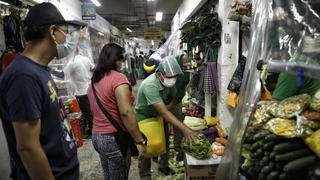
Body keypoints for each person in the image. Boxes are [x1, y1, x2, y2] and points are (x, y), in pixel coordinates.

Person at [0, 2, 83, 179]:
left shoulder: (39, 69)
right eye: (66, 33)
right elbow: (28, 148)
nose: (68, 40)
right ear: (53, 32)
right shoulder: (23, 76)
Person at [87, 43, 147, 180]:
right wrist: (139, 141)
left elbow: (93, 109)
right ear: (116, 59)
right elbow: (126, 111)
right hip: (114, 139)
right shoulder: (118, 78)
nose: (122, 63)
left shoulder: (94, 80)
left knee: (108, 175)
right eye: (121, 59)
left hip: (97, 137)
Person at [135, 55, 196, 180]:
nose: (172, 79)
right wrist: (184, 129)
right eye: (169, 76)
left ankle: (163, 166)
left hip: (158, 114)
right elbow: (163, 112)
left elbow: (173, 98)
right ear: (160, 74)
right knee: (147, 145)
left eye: (174, 77)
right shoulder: (150, 85)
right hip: (145, 115)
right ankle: (145, 174)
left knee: (164, 143)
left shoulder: (169, 82)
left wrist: (169, 106)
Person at [64, 44, 95, 138]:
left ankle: (92, 132)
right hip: (90, 88)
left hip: (81, 92)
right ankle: (88, 129)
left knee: (88, 113)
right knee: (90, 112)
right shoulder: (85, 59)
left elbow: (63, 74)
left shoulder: (71, 63)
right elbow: (93, 68)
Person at [171, 54, 191, 161]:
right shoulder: (175, 73)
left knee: (178, 124)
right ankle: (159, 154)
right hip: (169, 100)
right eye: (184, 61)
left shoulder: (187, 72)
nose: (186, 63)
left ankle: (178, 146)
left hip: (178, 101)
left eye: (187, 61)